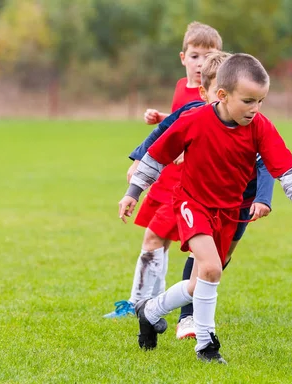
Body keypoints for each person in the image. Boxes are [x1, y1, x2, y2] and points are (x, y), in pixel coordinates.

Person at [118, 53, 292, 364]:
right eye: (248, 101)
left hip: (228, 213)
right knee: (212, 268)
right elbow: (156, 156)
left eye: (261, 101)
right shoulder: (193, 121)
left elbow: (283, 165)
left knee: (199, 283)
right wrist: (134, 192)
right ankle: (206, 346)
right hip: (192, 203)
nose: (255, 109)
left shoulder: (259, 127)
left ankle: (150, 310)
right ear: (223, 95)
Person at [105, 53, 274, 331]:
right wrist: (137, 167)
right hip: (193, 198)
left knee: (216, 264)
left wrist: (263, 198)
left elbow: (267, 163)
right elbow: (163, 133)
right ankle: (187, 320)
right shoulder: (193, 115)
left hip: (238, 206)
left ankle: (157, 308)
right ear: (207, 92)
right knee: (192, 256)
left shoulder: (250, 127)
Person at [104, 22, 223, 319]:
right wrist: (162, 119)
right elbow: (180, 123)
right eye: (195, 56)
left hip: (184, 186)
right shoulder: (182, 88)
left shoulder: (214, 97)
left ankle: (139, 305)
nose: (201, 64)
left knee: (153, 239)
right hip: (164, 177)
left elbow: (201, 129)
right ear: (183, 57)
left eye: (209, 57)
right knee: (159, 241)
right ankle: (153, 301)